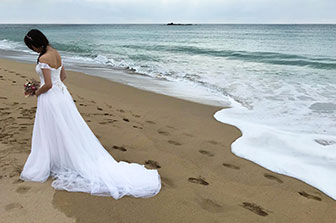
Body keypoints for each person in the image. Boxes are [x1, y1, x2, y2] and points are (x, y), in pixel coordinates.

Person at [20, 29, 161, 199]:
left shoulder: (43, 58)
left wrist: (36, 91)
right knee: (67, 127)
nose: (32, 50)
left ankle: (54, 158)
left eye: (32, 46)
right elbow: (63, 76)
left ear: (36, 43)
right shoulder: (55, 53)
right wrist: (44, 84)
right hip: (63, 96)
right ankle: (63, 155)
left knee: (52, 128)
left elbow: (48, 84)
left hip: (50, 97)